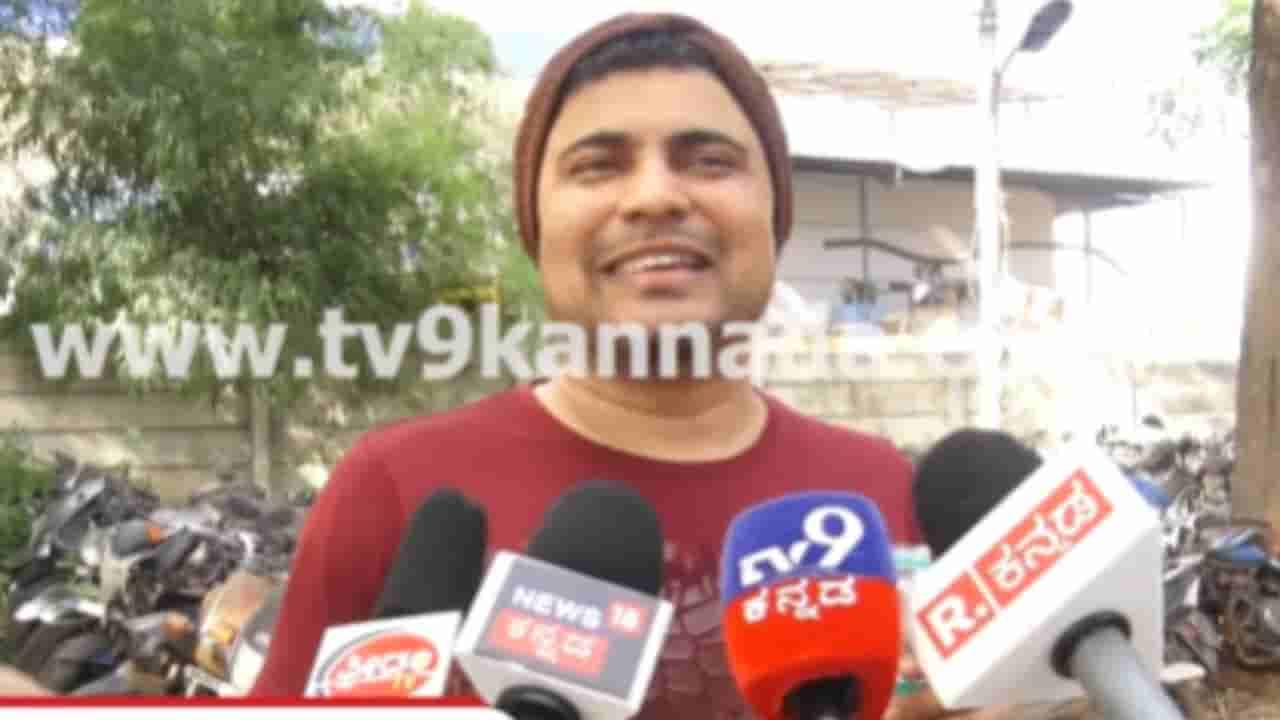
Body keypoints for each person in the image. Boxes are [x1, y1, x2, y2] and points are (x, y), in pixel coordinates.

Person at [0, 11, 1013, 718]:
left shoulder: (880, 495)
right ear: (538, 229)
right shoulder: (396, 488)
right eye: (598, 165)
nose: (655, 196)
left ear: (773, 214)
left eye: (708, 159)